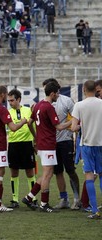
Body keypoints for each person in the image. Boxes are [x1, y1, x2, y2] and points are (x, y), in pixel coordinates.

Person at [22, 81, 71, 213]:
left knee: (45, 174)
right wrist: (73, 121)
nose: (58, 95)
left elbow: (29, 123)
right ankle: (44, 204)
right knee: (48, 175)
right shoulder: (49, 107)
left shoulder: (38, 105)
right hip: (48, 144)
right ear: (52, 93)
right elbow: (59, 127)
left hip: (42, 143)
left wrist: (36, 137)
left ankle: (29, 197)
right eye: (57, 93)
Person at [42, 78, 80, 210]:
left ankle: (77, 198)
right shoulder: (44, 104)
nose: (46, 92)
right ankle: (64, 199)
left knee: (70, 170)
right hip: (52, 143)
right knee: (57, 172)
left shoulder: (66, 101)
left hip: (65, 141)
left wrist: (72, 126)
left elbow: (77, 116)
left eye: (48, 88)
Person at [71, 80, 102, 219]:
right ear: (96, 89)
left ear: (84, 89)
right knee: (101, 175)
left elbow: (73, 127)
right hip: (100, 143)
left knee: (89, 176)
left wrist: (81, 126)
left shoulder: (79, 105)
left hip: (87, 145)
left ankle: (95, 210)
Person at [7, 89, 37, 208]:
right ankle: (15, 199)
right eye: (8, 100)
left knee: (30, 172)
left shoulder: (28, 110)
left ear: (19, 99)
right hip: (13, 144)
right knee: (14, 173)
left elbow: (33, 125)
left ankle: (33, 198)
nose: (10, 102)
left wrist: (36, 140)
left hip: (27, 144)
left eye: (12, 100)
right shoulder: (7, 112)